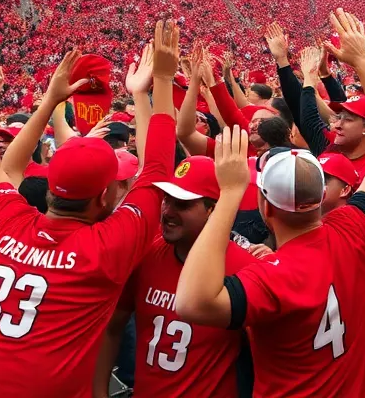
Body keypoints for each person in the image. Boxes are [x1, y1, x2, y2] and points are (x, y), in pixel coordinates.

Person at [175, 9, 365, 398]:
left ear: (265, 208)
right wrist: (364, 64)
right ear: (321, 198)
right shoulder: (352, 229)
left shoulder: (271, 276)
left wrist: (230, 193)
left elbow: (191, 302)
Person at [0, 26, 176, 398]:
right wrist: (159, 82)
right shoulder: (106, 248)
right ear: (105, 196)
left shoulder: (6, 224)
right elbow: (156, 169)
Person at [96, 154, 257, 398]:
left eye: (182, 204)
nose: (168, 211)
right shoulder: (147, 254)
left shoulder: (246, 268)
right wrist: (98, 391)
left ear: (213, 210)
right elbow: (112, 327)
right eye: (166, 199)